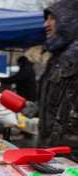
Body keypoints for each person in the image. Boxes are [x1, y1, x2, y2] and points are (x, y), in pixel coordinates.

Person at [35, 0, 78, 161]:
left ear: (70, 20)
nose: (46, 24)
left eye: (52, 18)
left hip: (70, 160)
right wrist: (28, 108)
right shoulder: (56, 59)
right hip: (52, 157)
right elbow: (52, 109)